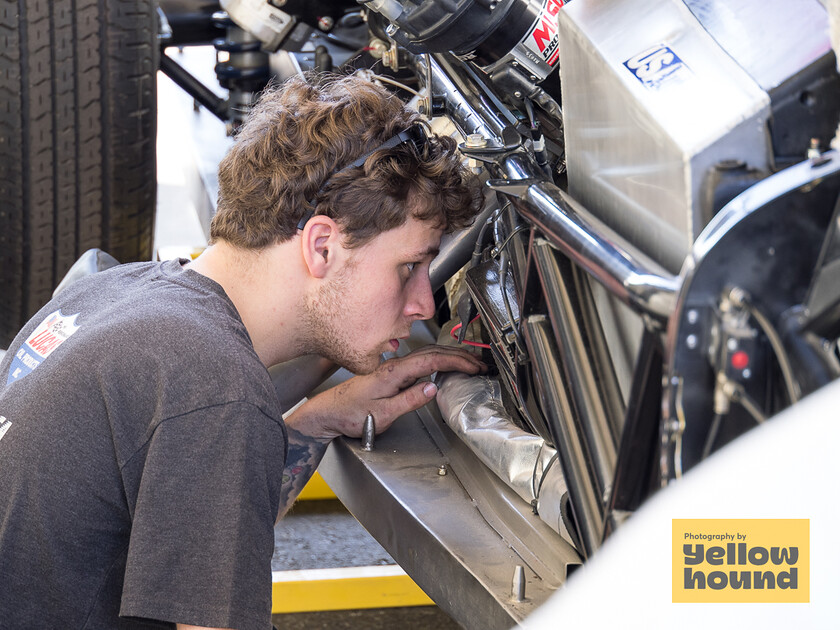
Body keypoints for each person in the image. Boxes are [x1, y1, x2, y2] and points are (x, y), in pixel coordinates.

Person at [0, 73, 484, 629]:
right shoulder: (213, 388)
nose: (424, 302)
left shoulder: (123, 295)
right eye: (409, 267)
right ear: (322, 245)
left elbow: (197, 535)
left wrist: (314, 421)